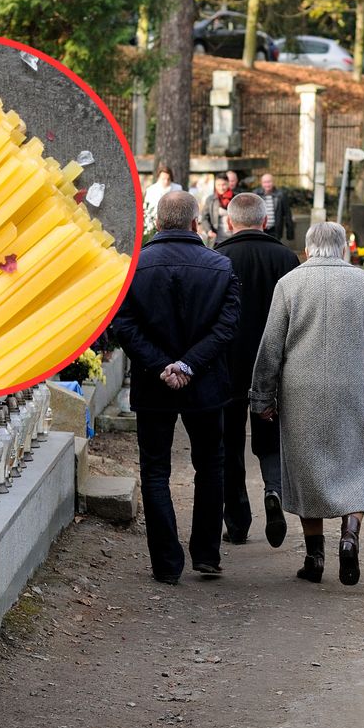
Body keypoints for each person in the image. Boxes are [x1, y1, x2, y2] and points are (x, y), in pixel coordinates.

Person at [250, 222, 364, 586]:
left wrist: (262, 398)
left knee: (305, 469)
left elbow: (270, 349)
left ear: (309, 249)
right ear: (343, 248)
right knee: (357, 463)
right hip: (352, 389)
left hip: (301, 392)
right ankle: (350, 535)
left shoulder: (290, 284)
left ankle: (314, 558)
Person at [113, 191, 242, 584]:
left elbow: (123, 324)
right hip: (203, 382)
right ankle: (205, 553)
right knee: (210, 466)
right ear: (194, 222)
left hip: (156, 385)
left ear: (156, 222)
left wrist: (161, 365)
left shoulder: (135, 268)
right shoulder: (220, 266)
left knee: (155, 471)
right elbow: (227, 326)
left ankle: (167, 563)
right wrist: (188, 364)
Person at [214, 193, 300, 546]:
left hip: (228, 365)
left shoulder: (218, 258)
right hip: (275, 366)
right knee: (270, 437)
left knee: (229, 441)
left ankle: (237, 520)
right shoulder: (286, 257)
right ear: (264, 221)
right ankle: (274, 491)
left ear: (230, 222)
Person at [254, 173, 295, 242]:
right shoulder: (256, 194)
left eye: (269, 182)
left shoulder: (281, 195)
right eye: (265, 182)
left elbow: (288, 214)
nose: (267, 184)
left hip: (275, 230)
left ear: (273, 182)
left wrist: (290, 232)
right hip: (260, 229)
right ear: (261, 183)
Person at [143, 165, 182, 235]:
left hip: (173, 226)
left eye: (168, 179)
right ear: (158, 178)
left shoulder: (178, 189)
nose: (166, 181)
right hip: (154, 226)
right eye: (163, 179)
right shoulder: (151, 190)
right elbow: (147, 209)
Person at [201, 175, 235, 245]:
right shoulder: (210, 199)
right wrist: (209, 231)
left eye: (224, 185)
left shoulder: (235, 198)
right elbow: (204, 218)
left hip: (234, 238)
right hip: (217, 239)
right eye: (218, 185)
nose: (221, 188)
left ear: (228, 183)